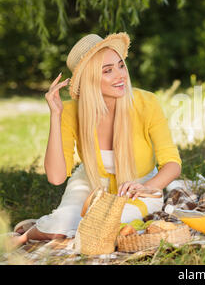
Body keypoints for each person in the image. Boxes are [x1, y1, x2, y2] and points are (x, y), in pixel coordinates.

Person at [12, 33, 182, 246]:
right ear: (89, 78)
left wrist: (148, 186)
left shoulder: (147, 103)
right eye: (108, 71)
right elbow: (56, 177)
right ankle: (26, 237)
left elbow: (172, 164)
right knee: (64, 224)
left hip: (139, 185)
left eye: (121, 65)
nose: (120, 75)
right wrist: (56, 116)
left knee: (106, 225)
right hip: (90, 183)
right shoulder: (70, 113)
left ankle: (42, 226)